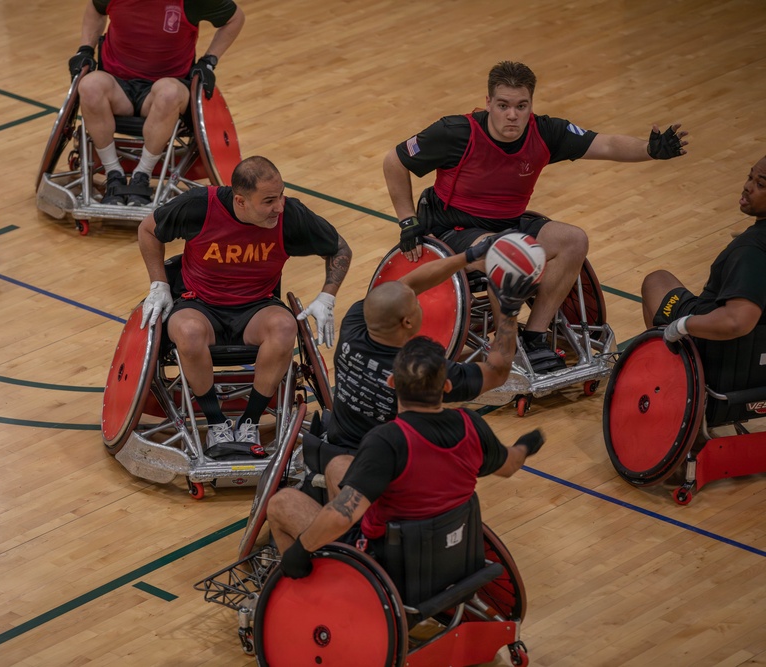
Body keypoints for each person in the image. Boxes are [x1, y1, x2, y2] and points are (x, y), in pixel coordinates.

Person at [384, 60, 688, 373]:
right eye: (503, 105)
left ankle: (534, 336)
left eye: (521, 106)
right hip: (454, 229)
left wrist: (649, 150)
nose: (512, 115)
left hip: (511, 224)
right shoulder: (454, 132)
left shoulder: (544, 131)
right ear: (488, 103)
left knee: (573, 239)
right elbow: (394, 160)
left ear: (531, 104)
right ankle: (505, 344)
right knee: (505, 253)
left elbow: (607, 143)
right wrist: (407, 220)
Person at [267, 336, 545, 575]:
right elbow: (509, 465)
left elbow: (342, 516)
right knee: (340, 465)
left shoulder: (386, 441)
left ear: (391, 382)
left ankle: (314, 596)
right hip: (450, 551)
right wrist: (524, 445)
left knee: (282, 503)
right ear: (446, 387)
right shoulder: (472, 424)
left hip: (390, 563)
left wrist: (301, 550)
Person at [137, 155, 352, 454]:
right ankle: (216, 423)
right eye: (268, 201)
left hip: (256, 307)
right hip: (199, 303)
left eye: (281, 196)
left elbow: (339, 248)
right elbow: (148, 229)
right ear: (240, 201)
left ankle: (249, 421)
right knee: (188, 332)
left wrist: (327, 295)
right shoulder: (200, 205)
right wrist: (159, 283)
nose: (278, 206)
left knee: (285, 325)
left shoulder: (289, 215)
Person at [321, 239, 538, 499]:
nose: (420, 303)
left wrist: (467, 256)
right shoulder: (421, 373)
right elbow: (498, 371)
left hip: (339, 450)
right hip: (392, 466)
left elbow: (408, 284)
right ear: (408, 321)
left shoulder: (354, 324)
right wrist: (509, 311)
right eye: (417, 304)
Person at [68, 0, 245, 207]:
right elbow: (96, 10)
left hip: (164, 89)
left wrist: (209, 62)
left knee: (168, 93)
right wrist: (85, 49)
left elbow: (235, 19)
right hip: (117, 86)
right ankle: (113, 173)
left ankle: (141, 175)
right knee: (89, 85)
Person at [642, 155, 766, 344]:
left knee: (656, 281)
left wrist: (683, 325)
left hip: (719, 348)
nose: (748, 187)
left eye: (761, 185)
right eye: (750, 177)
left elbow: (737, 322)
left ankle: (665, 363)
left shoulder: (749, 250)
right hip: (755, 349)